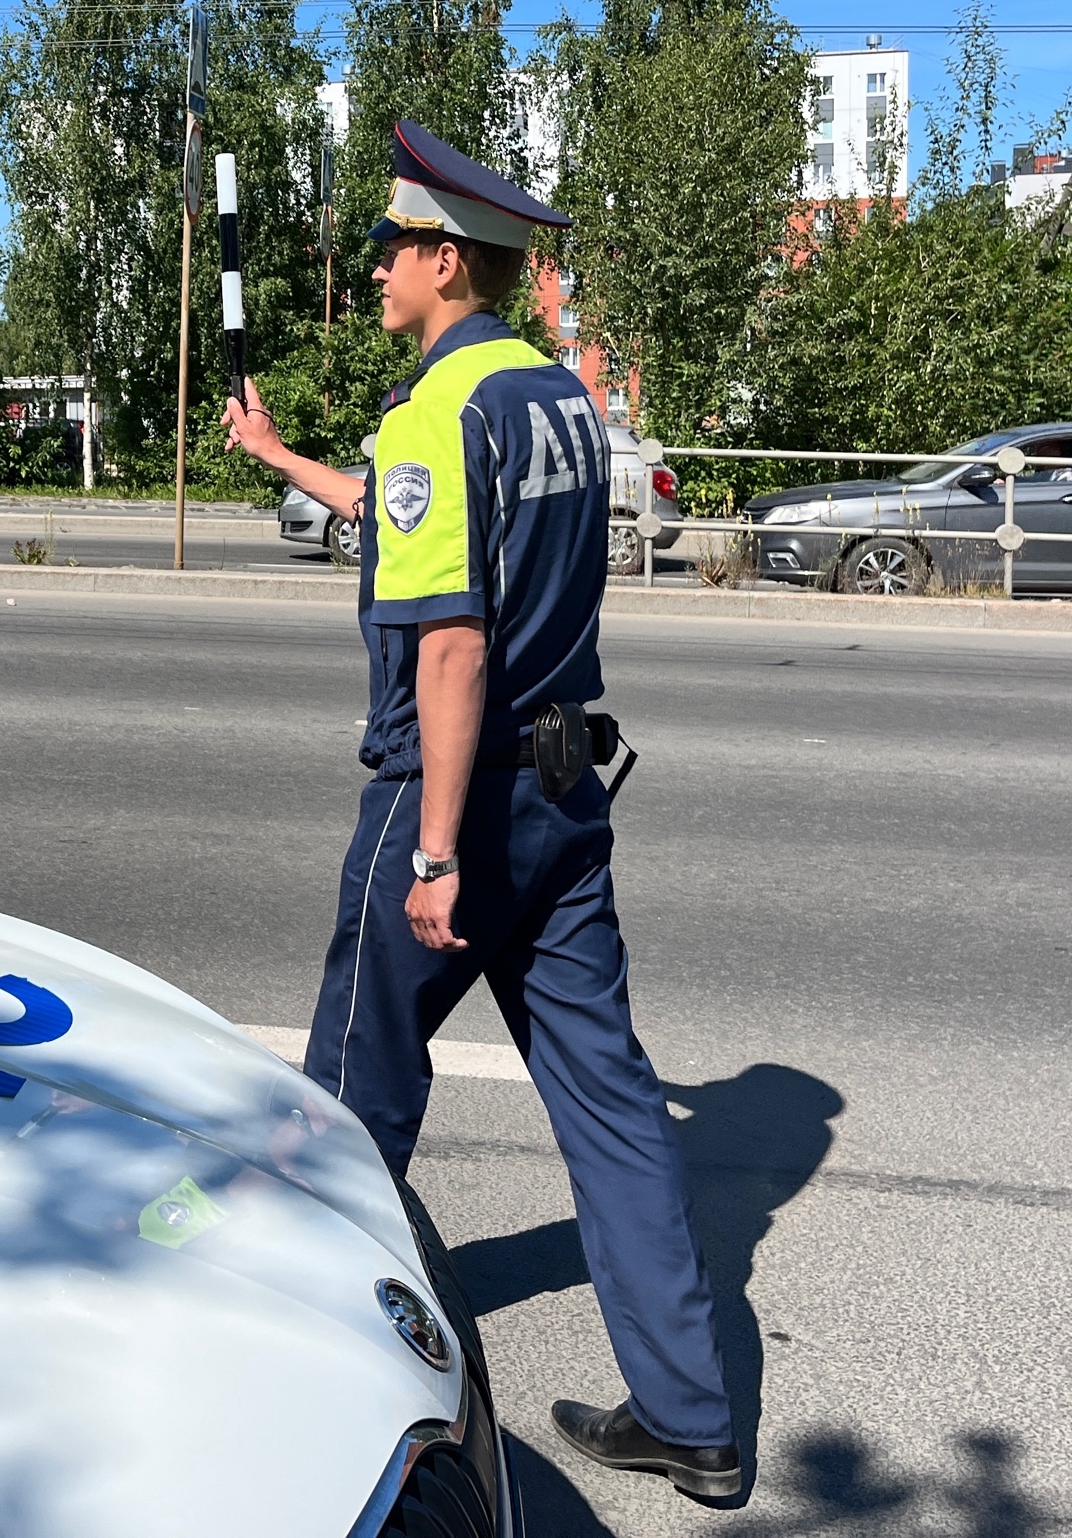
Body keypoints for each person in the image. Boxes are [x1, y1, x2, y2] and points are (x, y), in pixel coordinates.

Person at [224, 121, 742, 1503]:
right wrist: (279, 455)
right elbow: (404, 522)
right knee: (612, 1100)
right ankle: (691, 1415)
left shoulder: (434, 412)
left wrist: (437, 849)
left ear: (446, 260)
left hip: (454, 790)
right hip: (566, 792)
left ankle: (303, 1398)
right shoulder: (558, 398)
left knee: (353, 1097)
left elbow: (449, 640)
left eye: (392, 247)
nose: (376, 268)